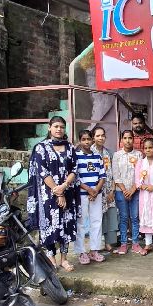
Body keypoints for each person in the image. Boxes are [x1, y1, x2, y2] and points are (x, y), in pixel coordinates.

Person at [27, 115, 80, 272]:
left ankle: (64, 259)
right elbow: (42, 171)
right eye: (56, 126)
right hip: (48, 195)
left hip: (67, 191)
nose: (59, 129)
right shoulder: (41, 148)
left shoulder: (70, 147)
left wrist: (64, 187)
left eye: (62, 127)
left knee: (66, 224)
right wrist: (58, 193)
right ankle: (51, 259)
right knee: (49, 226)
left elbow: (74, 169)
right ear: (49, 128)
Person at [75, 130, 106, 265]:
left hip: (96, 195)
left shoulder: (97, 156)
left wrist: (96, 191)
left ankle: (94, 250)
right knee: (81, 223)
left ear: (92, 140)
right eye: (84, 139)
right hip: (82, 194)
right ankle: (81, 252)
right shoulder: (76, 156)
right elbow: (75, 177)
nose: (86, 142)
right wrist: (88, 190)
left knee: (96, 221)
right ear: (80, 141)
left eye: (88, 139)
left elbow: (102, 176)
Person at [112, 130, 145, 255]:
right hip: (121, 191)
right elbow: (116, 175)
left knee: (135, 218)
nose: (127, 140)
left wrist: (132, 190)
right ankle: (123, 244)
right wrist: (125, 190)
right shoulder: (117, 155)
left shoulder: (139, 155)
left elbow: (141, 174)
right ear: (121, 140)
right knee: (124, 218)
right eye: (125, 138)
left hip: (135, 191)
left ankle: (136, 243)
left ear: (133, 139)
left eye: (130, 138)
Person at [91, 126, 118, 252]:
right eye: (98, 136)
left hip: (109, 191)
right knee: (97, 218)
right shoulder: (90, 152)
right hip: (95, 191)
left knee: (110, 215)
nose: (101, 138)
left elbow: (114, 173)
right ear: (93, 138)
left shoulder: (109, 153)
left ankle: (109, 242)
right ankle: (96, 245)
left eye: (102, 135)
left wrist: (112, 191)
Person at [135, 138, 153, 256]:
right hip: (145, 194)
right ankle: (147, 244)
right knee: (146, 217)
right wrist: (143, 186)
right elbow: (137, 180)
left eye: (150, 147)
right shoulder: (141, 163)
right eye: (145, 148)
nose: (148, 150)